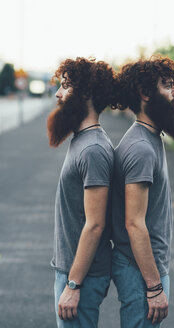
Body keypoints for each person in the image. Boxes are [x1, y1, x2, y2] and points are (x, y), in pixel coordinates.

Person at [111, 55, 174, 328]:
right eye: (167, 85)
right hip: (141, 272)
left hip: (143, 269)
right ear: (145, 93)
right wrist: (154, 287)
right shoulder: (141, 148)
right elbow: (134, 224)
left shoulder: (149, 138)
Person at [47, 57, 115, 328]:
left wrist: (73, 285)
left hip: (81, 276)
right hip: (73, 270)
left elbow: (95, 224)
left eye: (65, 86)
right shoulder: (83, 141)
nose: (58, 94)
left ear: (85, 94)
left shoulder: (93, 150)